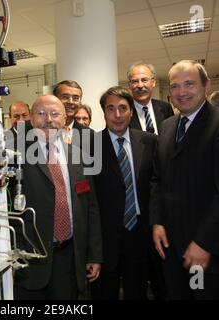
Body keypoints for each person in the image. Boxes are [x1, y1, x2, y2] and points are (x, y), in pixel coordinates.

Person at [150, 60, 219, 299]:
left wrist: (204, 243)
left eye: (189, 84)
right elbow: (158, 179)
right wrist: (157, 222)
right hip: (172, 247)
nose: (182, 92)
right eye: (175, 86)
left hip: (206, 252)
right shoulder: (167, 126)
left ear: (206, 85)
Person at [12, 95, 103, 300]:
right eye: (41, 113)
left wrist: (94, 255)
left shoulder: (80, 156)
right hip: (29, 260)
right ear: (32, 120)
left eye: (55, 114)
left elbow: (91, 208)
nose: (48, 120)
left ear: (64, 119)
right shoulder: (16, 157)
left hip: (68, 258)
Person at [90, 86, 157, 300]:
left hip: (140, 234)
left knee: (137, 292)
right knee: (104, 294)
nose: (117, 115)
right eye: (111, 109)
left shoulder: (149, 142)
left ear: (131, 111)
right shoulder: (89, 147)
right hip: (104, 237)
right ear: (104, 113)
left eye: (123, 108)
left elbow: (157, 186)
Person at [128, 62, 174, 134]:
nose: (140, 85)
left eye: (144, 80)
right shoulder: (124, 112)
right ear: (130, 85)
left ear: (153, 82)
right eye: (135, 81)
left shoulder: (165, 108)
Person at [53, 80, 93, 149]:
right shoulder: (35, 130)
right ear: (55, 99)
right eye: (65, 97)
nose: (71, 102)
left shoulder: (91, 136)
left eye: (75, 98)